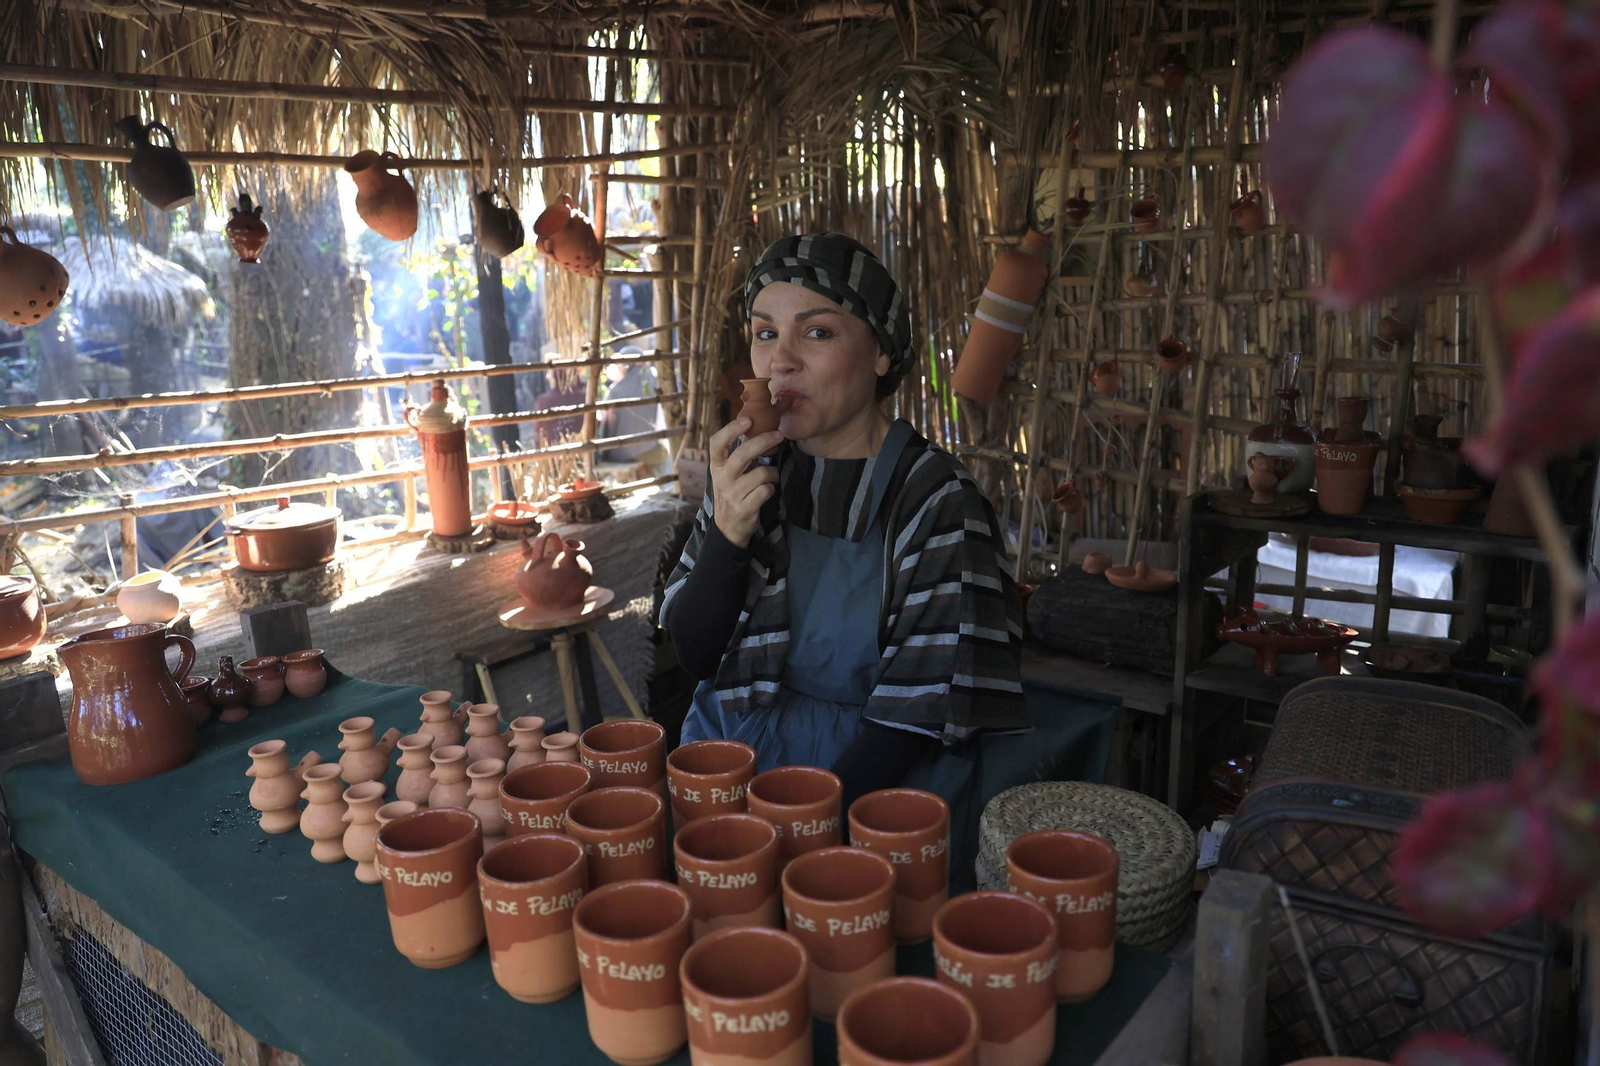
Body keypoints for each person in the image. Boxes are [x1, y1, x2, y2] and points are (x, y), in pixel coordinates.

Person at [659, 233, 1028, 821]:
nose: (781, 360)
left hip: (870, 802)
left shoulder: (934, 499)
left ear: (880, 351)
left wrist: (799, 829)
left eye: (817, 332)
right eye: (765, 333)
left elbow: (913, 720)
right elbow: (697, 655)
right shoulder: (747, 471)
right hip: (726, 777)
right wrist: (727, 532)